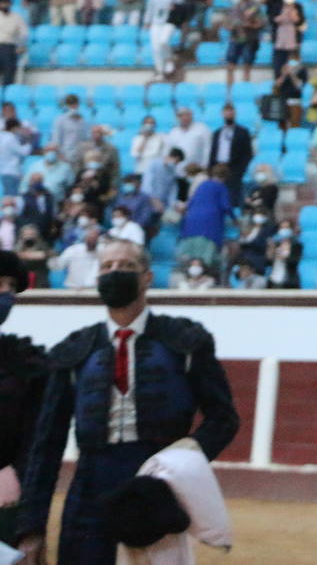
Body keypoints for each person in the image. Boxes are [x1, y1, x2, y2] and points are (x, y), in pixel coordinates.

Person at [15, 239, 238, 564]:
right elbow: (46, 444)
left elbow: (224, 419)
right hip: (89, 486)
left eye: (125, 266)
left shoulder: (184, 341)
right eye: (107, 266)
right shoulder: (76, 349)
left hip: (157, 487)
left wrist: (179, 466)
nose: (115, 272)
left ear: (147, 277)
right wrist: (31, 526)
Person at [0, 249, 45, 548]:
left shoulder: (22, 360)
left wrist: (13, 470)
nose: (5, 295)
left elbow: (35, 435)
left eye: (11, 287)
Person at [179, 165, 235, 274]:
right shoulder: (221, 187)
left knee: (189, 257)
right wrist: (235, 219)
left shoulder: (202, 185)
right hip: (209, 226)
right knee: (207, 259)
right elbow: (225, 206)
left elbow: (190, 203)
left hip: (191, 224)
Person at [208, 104, 253, 209]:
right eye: (226, 112)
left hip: (234, 168)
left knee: (232, 196)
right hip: (217, 167)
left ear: (235, 114)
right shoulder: (217, 133)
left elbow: (247, 153)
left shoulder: (242, 132)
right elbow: (213, 152)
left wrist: (240, 169)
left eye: (231, 112)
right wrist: (211, 169)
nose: (228, 115)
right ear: (222, 114)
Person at [223, 0, 265, 86]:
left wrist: (250, 24)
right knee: (230, 66)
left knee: (247, 66)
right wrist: (230, 26)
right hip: (235, 38)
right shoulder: (234, 6)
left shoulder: (255, 6)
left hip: (249, 38)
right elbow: (226, 22)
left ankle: (245, 89)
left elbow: (261, 22)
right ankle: (230, 92)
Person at [265, 221, 301, 289]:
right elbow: (268, 261)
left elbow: (295, 262)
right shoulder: (275, 243)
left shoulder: (296, 245)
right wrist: (270, 249)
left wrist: (284, 257)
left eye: (286, 227)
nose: (284, 230)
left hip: (288, 281)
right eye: (282, 227)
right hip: (273, 280)